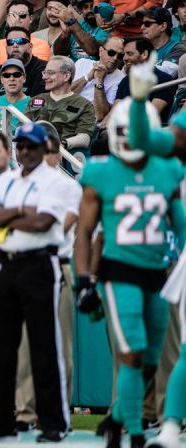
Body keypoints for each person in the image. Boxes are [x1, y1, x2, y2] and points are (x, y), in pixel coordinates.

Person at [74, 99, 183, 448]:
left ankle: (118, 416)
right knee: (132, 352)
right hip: (119, 270)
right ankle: (133, 431)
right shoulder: (101, 171)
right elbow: (85, 232)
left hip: (159, 271)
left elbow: (179, 224)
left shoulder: (167, 170)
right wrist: (83, 280)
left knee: (150, 361)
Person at [0, 123, 75, 442]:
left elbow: (43, 222)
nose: (25, 151)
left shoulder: (58, 182)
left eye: (31, 145)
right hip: (4, 264)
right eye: (21, 145)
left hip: (39, 263)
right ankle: (4, 418)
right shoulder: (8, 179)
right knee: (1, 346)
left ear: (45, 147)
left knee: (44, 345)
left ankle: (53, 421)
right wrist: (20, 212)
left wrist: (7, 214)